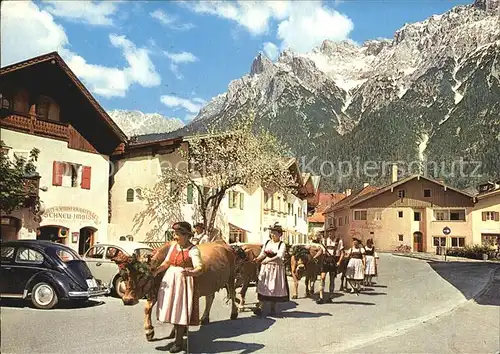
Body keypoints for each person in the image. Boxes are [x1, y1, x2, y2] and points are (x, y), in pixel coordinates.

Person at [153, 221, 203, 353]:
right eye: (174, 234)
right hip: (170, 279)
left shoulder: (193, 250)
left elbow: (199, 268)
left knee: (180, 311)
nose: (175, 237)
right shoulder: (174, 246)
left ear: (186, 236)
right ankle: (178, 335)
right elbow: (167, 262)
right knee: (172, 309)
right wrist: (155, 271)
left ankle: (179, 342)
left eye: (177, 234)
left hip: (183, 281)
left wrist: (191, 272)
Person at [252, 223, 289, 316]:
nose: (273, 235)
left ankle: (273, 308)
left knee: (274, 287)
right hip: (266, 268)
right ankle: (260, 307)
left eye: (275, 233)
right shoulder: (267, 243)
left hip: (276, 268)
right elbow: (263, 254)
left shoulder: (282, 245)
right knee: (263, 286)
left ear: (280, 235)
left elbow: (279, 256)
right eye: (272, 233)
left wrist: (268, 260)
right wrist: (258, 259)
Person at [313, 232, 344, 304]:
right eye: (329, 232)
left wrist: (339, 261)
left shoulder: (339, 241)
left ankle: (330, 296)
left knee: (332, 279)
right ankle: (321, 297)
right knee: (322, 277)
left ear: (334, 232)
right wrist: (315, 256)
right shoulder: (325, 240)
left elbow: (342, 252)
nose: (330, 233)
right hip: (325, 260)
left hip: (333, 260)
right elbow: (321, 250)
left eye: (332, 231)